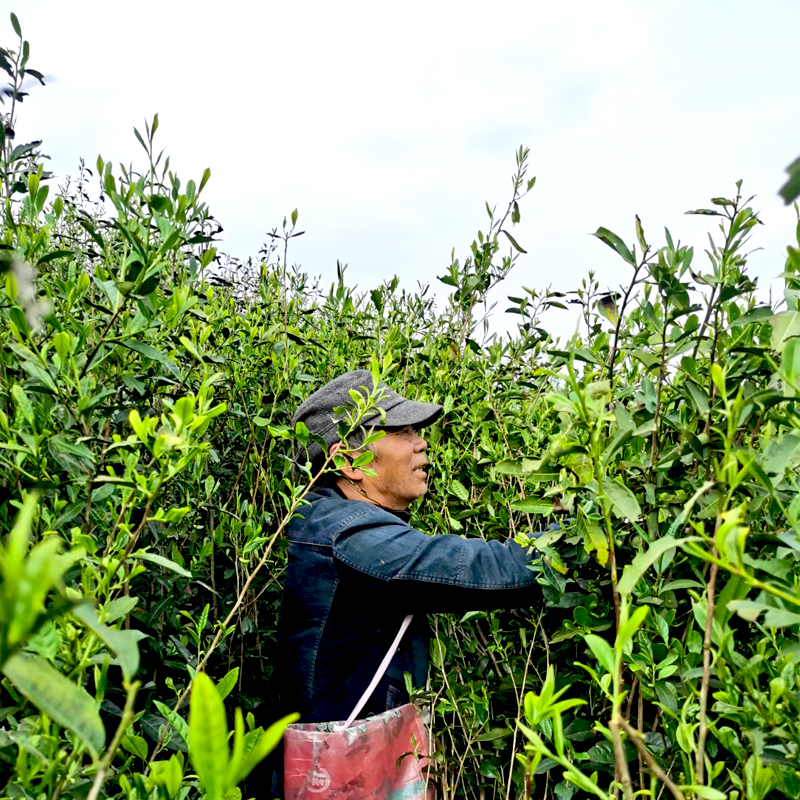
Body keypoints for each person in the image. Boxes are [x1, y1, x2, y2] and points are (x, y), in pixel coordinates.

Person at [276, 369, 544, 727]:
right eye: (402, 432)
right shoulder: (350, 536)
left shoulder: (328, 516)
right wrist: (585, 531)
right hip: (343, 771)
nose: (421, 443)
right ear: (347, 461)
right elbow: (488, 569)